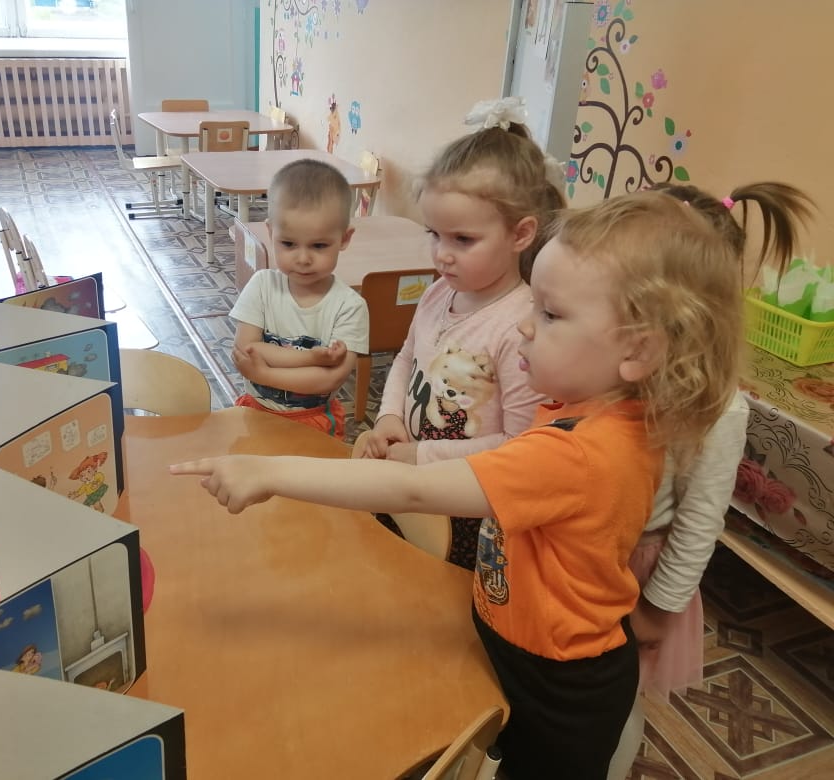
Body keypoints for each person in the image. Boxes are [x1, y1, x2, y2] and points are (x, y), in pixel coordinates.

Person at [172, 191, 743, 779]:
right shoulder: (601, 408)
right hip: (521, 647)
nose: (524, 324)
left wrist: (268, 472)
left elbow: (410, 490)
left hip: (558, 686)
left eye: (550, 315)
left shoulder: (578, 454)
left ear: (639, 350)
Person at [608, 181, 815, 780]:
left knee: (617, 700)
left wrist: (656, 612)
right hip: (589, 557)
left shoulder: (718, 408)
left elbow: (699, 523)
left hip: (639, 573)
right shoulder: (613, 362)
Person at [352, 96, 564, 568]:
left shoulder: (521, 327)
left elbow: (520, 445)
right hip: (412, 478)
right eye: (434, 234)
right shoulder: (437, 292)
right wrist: (389, 418)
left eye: (463, 239)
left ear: (520, 234)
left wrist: (421, 456)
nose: (442, 254)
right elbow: (405, 358)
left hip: (466, 509)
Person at [230, 158, 369, 439]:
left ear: (344, 238)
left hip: (315, 422)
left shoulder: (350, 306)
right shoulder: (262, 285)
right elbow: (247, 349)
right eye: (288, 244)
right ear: (271, 232)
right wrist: (311, 358)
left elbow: (329, 379)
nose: (303, 258)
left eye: (319, 245)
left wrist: (263, 374)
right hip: (254, 414)